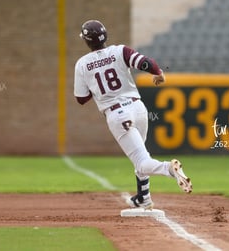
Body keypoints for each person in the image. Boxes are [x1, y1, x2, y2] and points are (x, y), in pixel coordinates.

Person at [74, 20, 192, 210]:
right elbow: (146, 63)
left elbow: (81, 98)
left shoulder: (82, 64)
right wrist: (159, 73)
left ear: (86, 41)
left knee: (142, 161)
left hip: (118, 115)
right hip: (138, 109)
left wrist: (96, 87)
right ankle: (143, 197)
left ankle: (169, 169)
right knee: (142, 155)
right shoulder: (120, 51)